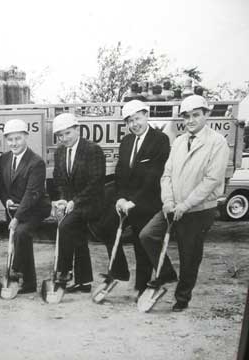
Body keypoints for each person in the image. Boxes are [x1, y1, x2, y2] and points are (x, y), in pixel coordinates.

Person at [140, 95, 230, 312]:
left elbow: (212, 180)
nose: (190, 120)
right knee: (147, 235)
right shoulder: (179, 141)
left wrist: (186, 205)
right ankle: (166, 274)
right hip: (173, 206)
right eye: (186, 116)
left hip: (198, 209)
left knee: (189, 254)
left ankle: (182, 298)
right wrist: (169, 201)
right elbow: (167, 174)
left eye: (196, 115)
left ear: (206, 115)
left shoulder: (218, 142)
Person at [99, 100, 176, 300]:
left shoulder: (159, 140)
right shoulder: (127, 142)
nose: (134, 124)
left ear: (146, 115)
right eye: (130, 121)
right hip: (126, 201)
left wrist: (134, 201)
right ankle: (119, 271)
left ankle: (143, 286)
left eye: (137, 119)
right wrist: (120, 199)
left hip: (148, 200)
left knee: (140, 241)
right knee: (106, 227)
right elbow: (120, 173)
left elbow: (155, 175)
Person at [52, 113, 105, 292]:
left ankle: (64, 272)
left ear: (77, 129)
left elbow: (96, 181)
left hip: (90, 203)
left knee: (65, 227)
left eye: (67, 133)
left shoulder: (92, 150)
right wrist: (62, 200)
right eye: (60, 135)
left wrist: (75, 201)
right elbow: (59, 179)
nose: (64, 138)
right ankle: (84, 282)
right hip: (71, 204)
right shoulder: (60, 152)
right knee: (78, 238)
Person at [0, 119, 51, 294]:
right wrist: (6, 200)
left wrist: (17, 218)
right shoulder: (4, 159)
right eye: (10, 139)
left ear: (26, 137)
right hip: (14, 208)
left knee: (21, 232)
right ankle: (29, 283)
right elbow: (0, 185)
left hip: (36, 208)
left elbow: (32, 193)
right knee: (22, 239)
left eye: (18, 138)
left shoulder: (36, 162)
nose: (14, 143)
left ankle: (15, 270)